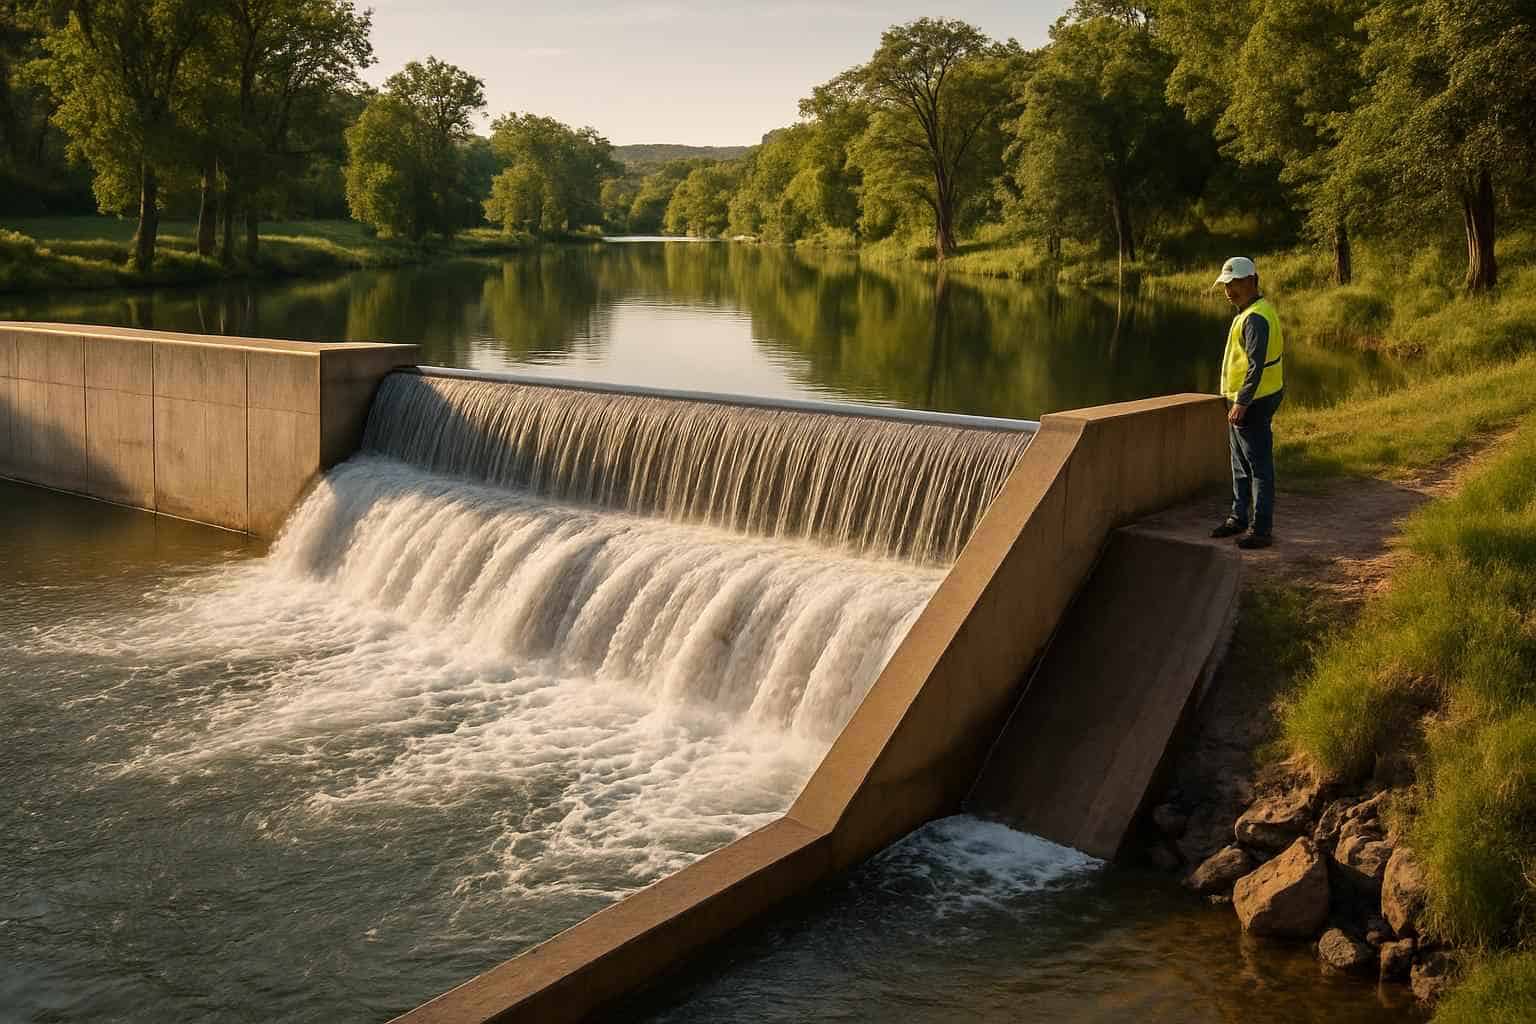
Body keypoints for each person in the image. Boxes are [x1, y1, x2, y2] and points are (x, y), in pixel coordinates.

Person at [1209, 256, 1284, 549]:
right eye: (1226, 285)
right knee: (1239, 464)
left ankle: (1260, 529)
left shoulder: (1255, 317)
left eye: (1235, 283)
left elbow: (1256, 364)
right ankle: (1238, 518)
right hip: (1246, 400)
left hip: (1253, 401)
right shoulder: (1251, 311)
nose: (1229, 290)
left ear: (1252, 281)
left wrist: (1242, 402)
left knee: (1258, 467)